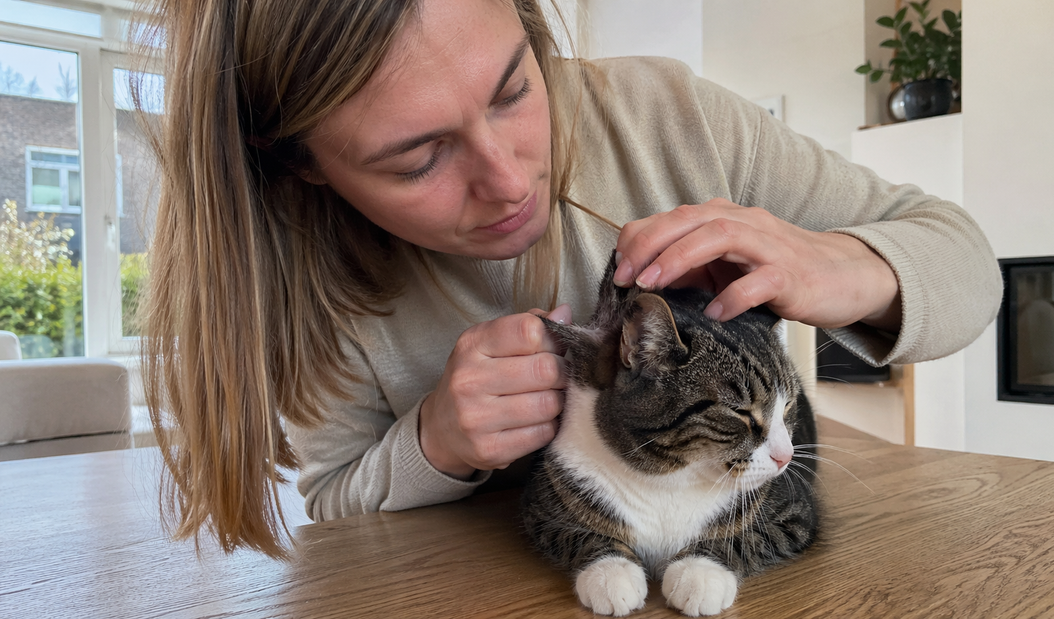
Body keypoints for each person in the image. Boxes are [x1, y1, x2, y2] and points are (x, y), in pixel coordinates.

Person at [136, 0, 1002, 559]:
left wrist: (845, 265)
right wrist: (433, 443)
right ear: (305, 168)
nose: (511, 183)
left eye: (515, 89)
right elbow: (333, 503)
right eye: (418, 157)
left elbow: (967, 264)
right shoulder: (301, 271)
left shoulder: (672, 119)